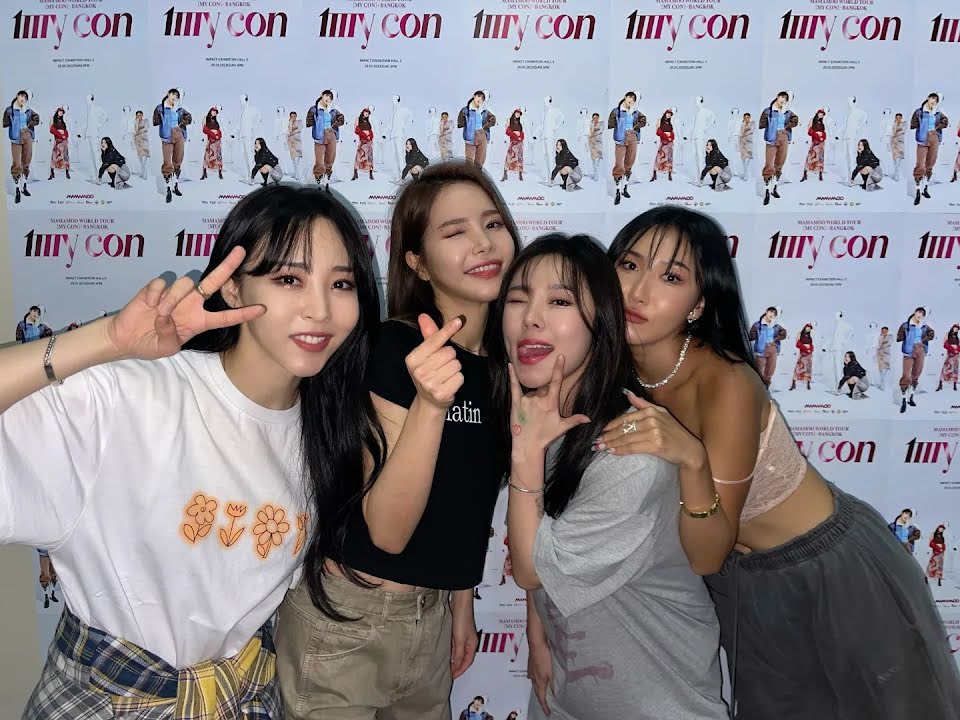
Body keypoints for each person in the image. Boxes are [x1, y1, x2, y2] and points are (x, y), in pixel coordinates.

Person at [4, 184, 385, 718]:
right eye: (289, 279)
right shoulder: (131, 394)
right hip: (110, 701)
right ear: (231, 287)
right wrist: (106, 341)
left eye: (340, 283)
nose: (320, 309)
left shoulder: (328, 430)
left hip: (239, 698)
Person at [580, 207, 960, 718]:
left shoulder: (727, 383)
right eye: (629, 265)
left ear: (698, 304)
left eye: (671, 277)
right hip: (743, 585)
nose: (639, 291)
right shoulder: (610, 370)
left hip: (831, 573)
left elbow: (706, 554)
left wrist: (691, 459)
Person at [274, 161, 520, 720]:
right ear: (417, 262)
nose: (483, 243)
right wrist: (431, 404)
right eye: (454, 232)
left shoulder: (500, 368)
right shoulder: (395, 349)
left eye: (492, 224)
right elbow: (386, 532)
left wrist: (460, 603)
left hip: (430, 620)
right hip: (349, 621)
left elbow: (467, 498)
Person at [493, 233, 726, 720]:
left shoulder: (628, 456)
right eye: (517, 298)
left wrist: (525, 451)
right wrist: (537, 634)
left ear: (601, 320)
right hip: (567, 699)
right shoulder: (543, 420)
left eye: (560, 301)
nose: (531, 317)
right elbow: (542, 535)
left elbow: (533, 569)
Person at [759, 91, 799, 205]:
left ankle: (774, 187)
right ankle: (767, 191)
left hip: (784, 137)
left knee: (779, 163)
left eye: (785, 99)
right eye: (782, 97)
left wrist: (786, 127)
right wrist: (768, 128)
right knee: (769, 165)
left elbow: (795, 120)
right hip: (771, 139)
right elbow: (762, 124)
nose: (783, 100)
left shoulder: (787, 112)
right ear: (777, 97)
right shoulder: (768, 110)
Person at [153, 88, 192, 203]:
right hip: (167, 136)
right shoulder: (161, 107)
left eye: (176, 95)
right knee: (167, 163)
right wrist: (160, 117)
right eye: (172, 94)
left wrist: (181, 124)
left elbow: (189, 118)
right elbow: (155, 121)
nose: (174, 97)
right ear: (168, 94)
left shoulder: (179, 109)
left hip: (179, 134)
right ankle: (168, 189)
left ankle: (175, 185)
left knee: (178, 161)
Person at [608, 92, 646, 205]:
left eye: (633, 99)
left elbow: (644, 120)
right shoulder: (617, 111)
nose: (631, 100)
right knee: (619, 165)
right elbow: (610, 124)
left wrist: (635, 127)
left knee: (629, 163)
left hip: (632, 137)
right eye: (630, 97)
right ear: (625, 97)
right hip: (620, 139)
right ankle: (617, 191)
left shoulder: (635, 112)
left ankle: (624, 187)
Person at [911, 93, 948, 205]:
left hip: (934, 139)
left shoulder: (938, 113)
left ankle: (925, 188)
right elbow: (913, 124)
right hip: (922, 140)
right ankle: (918, 191)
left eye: (936, 101)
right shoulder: (919, 111)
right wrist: (920, 129)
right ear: (928, 98)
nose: (934, 102)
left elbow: (945, 121)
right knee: (920, 165)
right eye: (932, 99)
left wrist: (937, 129)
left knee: (930, 164)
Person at [4, 89, 40, 203]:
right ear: (17, 96)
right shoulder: (10, 110)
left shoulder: (29, 110)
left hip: (27, 137)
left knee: (26, 162)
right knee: (17, 164)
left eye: (25, 97)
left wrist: (29, 126)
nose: (22, 99)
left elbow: (37, 119)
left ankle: (24, 186)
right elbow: (5, 123)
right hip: (15, 138)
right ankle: (17, 190)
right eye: (21, 96)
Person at [897, 307, 935, 414]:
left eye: (923, 314)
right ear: (915, 312)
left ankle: (911, 397)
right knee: (906, 375)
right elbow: (899, 336)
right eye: (919, 312)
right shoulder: (906, 325)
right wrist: (905, 341)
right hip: (908, 351)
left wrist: (923, 341)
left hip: (920, 350)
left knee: (916, 374)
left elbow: (932, 334)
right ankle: (903, 399)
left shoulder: (924, 326)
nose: (920, 315)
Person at [307, 90, 344, 192]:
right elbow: (309, 122)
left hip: (331, 135)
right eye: (327, 96)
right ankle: (318, 177)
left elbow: (341, 119)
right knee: (319, 160)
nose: (328, 99)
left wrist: (333, 126)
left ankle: (327, 175)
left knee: (330, 157)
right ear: (322, 96)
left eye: (330, 97)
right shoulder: (314, 109)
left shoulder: (333, 110)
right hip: (319, 136)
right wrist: (315, 127)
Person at [748, 307, 786, 388]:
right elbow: (751, 336)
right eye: (771, 312)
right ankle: (758, 385)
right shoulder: (758, 325)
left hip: (773, 348)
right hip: (761, 349)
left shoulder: (776, 326)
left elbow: (784, 334)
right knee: (759, 368)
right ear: (766, 312)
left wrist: (775, 340)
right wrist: (752, 335)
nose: (772, 314)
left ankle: (766, 384)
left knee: (771, 368)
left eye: (774, 314)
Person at [458, 91, 496, 168]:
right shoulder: (466, 110)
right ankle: (469, 174)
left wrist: (485, 127)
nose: (480, 99)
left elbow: (493, 120)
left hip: (482, 135)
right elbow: (460, 122)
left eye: (482, 98)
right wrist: (466, 126)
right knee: (469, 160)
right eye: (478, 96)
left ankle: (477, 173)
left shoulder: (484, 110)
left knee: (480, 159)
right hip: (471, 135)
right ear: (474, 96)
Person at [802, 109, 826, 182]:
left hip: (821, 143)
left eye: (823, 114)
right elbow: (809, 131)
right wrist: (816, 135)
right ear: (817, 113)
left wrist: (822, 136)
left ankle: (820, 174)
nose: (821, 115)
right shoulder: (812, 120)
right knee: (810, 157)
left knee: (821, 158)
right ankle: (805, 174)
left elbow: (824, 133)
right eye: (820, 113)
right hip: (814, 142)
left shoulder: (822, 124)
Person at [651, 110, 675, 182]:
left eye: (670, 114)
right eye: (668, 113)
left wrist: (671, 137)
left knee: (670, 158)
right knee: (659, 157)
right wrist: (665, 136)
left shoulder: (670, 124)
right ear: (665, 114)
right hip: (663, 142)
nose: (669, 115)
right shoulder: (660, 121)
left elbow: (672, 133)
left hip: (670, 143)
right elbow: (658, 132)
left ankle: (669, 174)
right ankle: (654, 173)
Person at [352, 107, 375, 181]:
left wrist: (370, 136)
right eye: (365, 112)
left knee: (370, 156)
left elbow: (371, 131)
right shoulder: (358, 119)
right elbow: (356, 130)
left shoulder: (368, 122)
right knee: (359, 155)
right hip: (362, 141)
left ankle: (370, 173)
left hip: (369, 141)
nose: (366, 114)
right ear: (363, 112)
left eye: (368, 113)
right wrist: (364, 135)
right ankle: (355, 173)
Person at [201, 107, 224, 180]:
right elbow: (204, 129)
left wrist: (218, 135)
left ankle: (220, 172)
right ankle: (204, 173)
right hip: (210, 140)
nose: (214, 113)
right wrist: (212, 133)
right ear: (210, 111)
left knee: (218, 156)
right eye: (213, 111)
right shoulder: (205, 118)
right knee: (207, 156)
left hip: (217, 141)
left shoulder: (216, 121)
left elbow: (219, 131)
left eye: (215, 112)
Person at [790, 323, 814, 391]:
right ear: (805, 327)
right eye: (808, 327)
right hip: (803, 354)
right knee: (798, 368)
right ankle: (793, 384)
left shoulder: (809, 337)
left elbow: (811, 345)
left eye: (810, 328)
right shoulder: (800, 334)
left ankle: (808, 384)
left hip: (809, 355)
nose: (808, 329)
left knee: (808, 369)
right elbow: (797, 344)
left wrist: (810, 349)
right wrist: (805, 347)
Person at [48, 108, 70, 180]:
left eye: (62, 112)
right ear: (57, 112)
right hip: (58, 140)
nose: (61, 113)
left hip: (64, 141)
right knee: (55, 156)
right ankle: (52, 173)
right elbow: (52, 130)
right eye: (60, 111)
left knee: (65, 156)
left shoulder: (63, 122)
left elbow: (66, 131)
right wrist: (60, 134)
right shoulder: (53, 119)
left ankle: (67, 172)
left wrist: (65, 136)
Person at [503, 108, 525, 182]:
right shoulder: (509, 120)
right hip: (513, 142)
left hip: (519, 143)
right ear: (514, 113)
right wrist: (515, 135)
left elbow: (522, 133)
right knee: (509, 157)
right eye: (517, 113)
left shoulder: (519, 123)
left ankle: (520, 175)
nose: (518, 115)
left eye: (519, 114)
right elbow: (507, 131)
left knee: (520, 158)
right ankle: (505, 174)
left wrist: (520, 137)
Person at [937, 324, 959, 392]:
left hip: (956, 354)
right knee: (945, 368)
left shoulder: (957, 337)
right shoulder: (947, 334)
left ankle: (954, 384)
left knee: (955, 369)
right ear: (952, 328)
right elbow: (945, 344)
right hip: (950, 353)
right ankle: (940, 383)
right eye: (955, 328)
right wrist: (952, 349)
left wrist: (957, 350)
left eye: (957, 329)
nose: (956, 329)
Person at [133, 109, 150, 180]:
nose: (139, 116)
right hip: (138, 141)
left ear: (142, 115)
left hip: (144, 140)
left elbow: (146, 128)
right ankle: (143, 173)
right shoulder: (136, 122)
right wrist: (136, 122)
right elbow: (135, 130)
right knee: (140, 158)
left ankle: (145, 174)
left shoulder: (146, 120)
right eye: (137, 115)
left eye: (140, 115)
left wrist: (138, 133)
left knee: (145, 157)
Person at [738, 112, 755, 180]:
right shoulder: (742, 124)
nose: (746, 119)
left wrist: (743, 134)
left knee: (748, 158)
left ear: (750, 117)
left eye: (748, 117)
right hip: (742, 142)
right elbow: (741, 132)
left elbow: (752, 131)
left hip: (749, 142)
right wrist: (744, 125)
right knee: (743, 159)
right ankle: (745, 174)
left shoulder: (753, 123)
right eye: (745, 118)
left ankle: (746, 174)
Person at [876, 325, 892, 391]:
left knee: (886, 368)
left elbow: (889, 343)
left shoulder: (890, 336)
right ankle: (882, 384)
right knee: (880, 369)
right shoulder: (880, 336)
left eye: (885, 331)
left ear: (887, 331)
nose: (884, 332)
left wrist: (882, 346)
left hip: (886, 353)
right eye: (883, 331)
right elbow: (879, 344)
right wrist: (881, 337)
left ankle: (883, 383)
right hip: (880, 353)